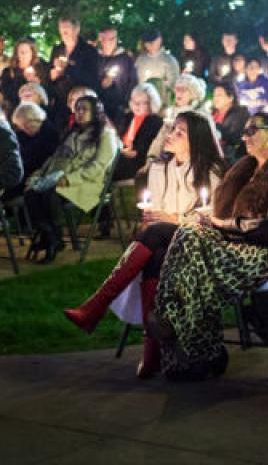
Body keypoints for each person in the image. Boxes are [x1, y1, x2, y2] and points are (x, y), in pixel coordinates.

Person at [146, 112, 268, 380]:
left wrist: (220, 223)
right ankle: (189, 343)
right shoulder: (245, 168)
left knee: (195, 259)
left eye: (251, 131)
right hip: (236, 244)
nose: (244, 137)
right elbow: (226, 218)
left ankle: (180, 331)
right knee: (190, 235)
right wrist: (210, 219)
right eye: (244, 131)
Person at [63, 111, 225, 377]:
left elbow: (211, 217)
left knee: (158, 234)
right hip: (162, 241)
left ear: (196, 139)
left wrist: (172, 219)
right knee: (156, 254)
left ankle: (98, 307)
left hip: (197, 243)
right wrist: (151, 218)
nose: (171, 135)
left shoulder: (212, 171)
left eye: (180, 132)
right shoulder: (160, 168)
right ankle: (152, 349)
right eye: (172, 129)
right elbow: (156, 213)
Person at [23, 95, 119, 262]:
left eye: (84, 109)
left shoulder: (106, 135)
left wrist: (70, 179)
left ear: (95, 112)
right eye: (77, 109)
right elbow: (55, 158)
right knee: (31, 193)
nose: (79, 112)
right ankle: (51, 236)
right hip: (59, 178)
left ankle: (52, 239)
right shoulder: (72, 133)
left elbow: (98, 166)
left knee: (50, 195)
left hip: (86, 183)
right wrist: (39, 173)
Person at [48, 16, 101, 132]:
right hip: (60, 104)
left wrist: (68, 69)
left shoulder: (89, 51)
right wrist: (53, 76)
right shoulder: (57, 50)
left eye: (66, 29)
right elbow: (50, 76)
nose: (63, 33)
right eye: (61, 29)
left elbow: (92, 80)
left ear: (77, 29)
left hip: (80, 103)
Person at [7, 101, 59, 199]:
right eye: (21, 127)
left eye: (24, 125)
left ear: (34, 120)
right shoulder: (26, 135)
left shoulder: (49, 135)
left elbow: (38, 161)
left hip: (34, 175)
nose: (24, 129)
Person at [114, 83, 165, 182]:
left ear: (151, 104)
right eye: (135, 101)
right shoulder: (128, 117)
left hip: (137, 162)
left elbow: (143, 150)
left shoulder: (154, 121)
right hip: (120, 156)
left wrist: (125, 152)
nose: (137, 105)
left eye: (143, 103)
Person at [96, 27, 137, 126]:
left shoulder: (126, 59)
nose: (111, 42)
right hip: (99, 106)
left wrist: (128, 104)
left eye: (113, 38)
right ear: (100, 38)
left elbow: (133, 82)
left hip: (120, 108)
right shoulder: (95, 58)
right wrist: (101, 85)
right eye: (107, 38)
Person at [1, 38, 49, 116]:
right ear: (16, 54)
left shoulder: (42, 69)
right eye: (21, 52)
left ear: (32, 53)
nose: (23, 54)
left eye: (26, 52)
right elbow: (6, 93)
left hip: (37, 112)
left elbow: (48, 92)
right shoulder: (8, 72)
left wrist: (39, 85)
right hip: (16, 112)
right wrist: (23, 80)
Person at [134, 30, 180, 105]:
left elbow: (174, 82)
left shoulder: (169, 60)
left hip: (162, 100)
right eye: (147, 43)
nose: (150, 45)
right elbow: (136, 79)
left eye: (152, 42)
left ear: (159, 40)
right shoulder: (140, 60)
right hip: (143, 101)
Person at [210, 79, 250, 164]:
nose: (215, 98)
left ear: (230, 98)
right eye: (214, 95)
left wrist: (213, 127)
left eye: (219, 95)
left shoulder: (240, 114)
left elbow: (233, 137)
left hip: (231, 158)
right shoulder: (213, 114)